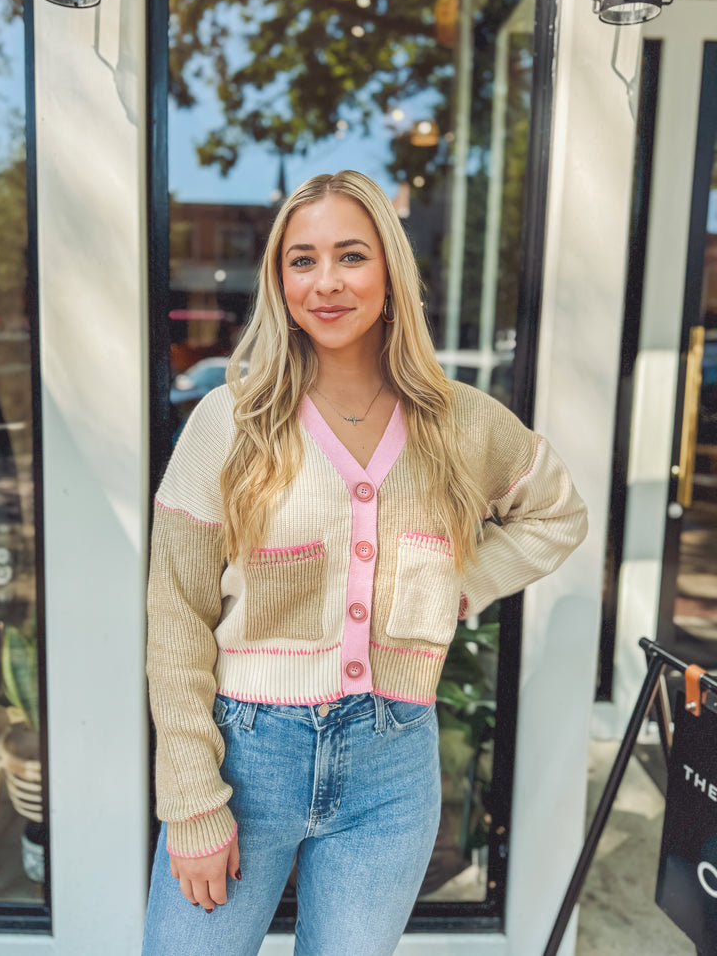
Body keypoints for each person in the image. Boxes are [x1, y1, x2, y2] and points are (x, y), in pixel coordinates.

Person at [143, 170, 587, 955]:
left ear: (390, 271)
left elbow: (559, 513)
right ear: (279, 282)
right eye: (301, 260)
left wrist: (463, 579)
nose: (326, 282)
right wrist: (191, 799)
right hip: (247, 759)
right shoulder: (230, 422)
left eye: (351, 255)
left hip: (392, 761)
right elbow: (177, 614)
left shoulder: (460, 422)